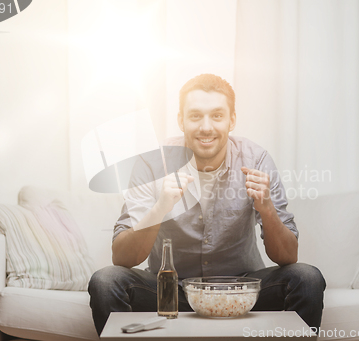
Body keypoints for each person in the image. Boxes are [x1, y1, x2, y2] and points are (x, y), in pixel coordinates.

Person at [88, 74, 326, 335]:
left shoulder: (256, 160)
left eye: (216, 115)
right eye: (195, 116)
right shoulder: (152, 164)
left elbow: (288, 257)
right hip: (169, 291)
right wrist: (160, 208)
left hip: (240, 290)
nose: (206, 127)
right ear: (181, 120)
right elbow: (122, 257)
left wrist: (266, 208)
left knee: (308, 278)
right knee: (105, 281)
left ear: (231, 120)